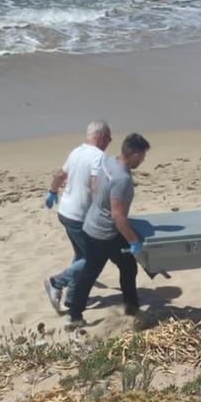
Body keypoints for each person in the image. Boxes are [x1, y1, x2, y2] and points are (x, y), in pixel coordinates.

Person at [67, 133, 151, 328]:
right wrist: (133, 242)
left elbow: (95, 185)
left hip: (90, 225)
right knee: (126, 267)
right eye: (143, 155)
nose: (143, 159)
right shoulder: (122, 179)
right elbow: (117, 216)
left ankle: (75, 314)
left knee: (93, 271)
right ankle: (131, 311)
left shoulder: (109, 162)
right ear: (134, 153)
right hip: (104, 234)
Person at [43, 120, 112, 313]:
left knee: (81, 255)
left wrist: (52, 192)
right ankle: (56, 282)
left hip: (65, 212)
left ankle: (72, 299)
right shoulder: (99, 157)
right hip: (79, 216)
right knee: (94, 258)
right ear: (102, 137)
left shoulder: (76, 151)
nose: (109, 143)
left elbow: (59, 175)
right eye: (109, 139)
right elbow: (94, 186)